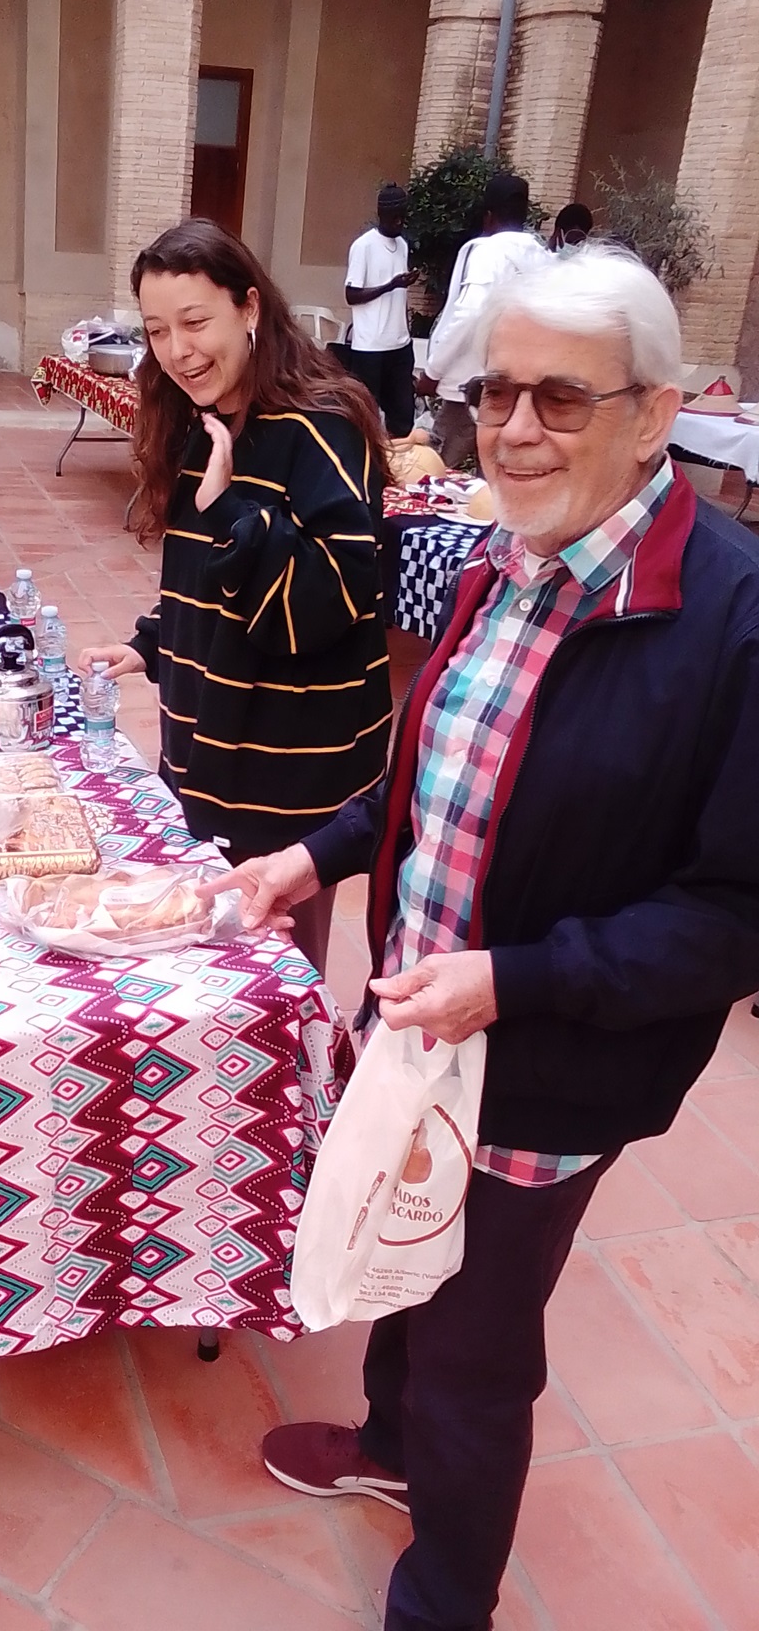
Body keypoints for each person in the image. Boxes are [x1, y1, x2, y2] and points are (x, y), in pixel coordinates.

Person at [206, 244, 759, 1630]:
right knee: (405, 1251)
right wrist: (313, 855)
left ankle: (448, 1598)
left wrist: (511, 983)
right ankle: (391, 1447)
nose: (513, 430)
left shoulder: (736, 623)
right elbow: (434, 772)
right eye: (495, 392)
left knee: (476, 1345)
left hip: (548, 1062)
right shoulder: (504, 562)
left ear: (657, 414)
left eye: (561, 399)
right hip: (423, 1021)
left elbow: (731, 918)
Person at [76, 218, 393, 975]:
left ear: (249, 307)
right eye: (157, 331)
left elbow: (327, 602)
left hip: (289, 766)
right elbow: (203, 574)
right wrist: (151, 642)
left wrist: (231, 512)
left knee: (276, 970)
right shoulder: (205, 418)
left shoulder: (323, 427)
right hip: (207, 743)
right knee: (202, 956)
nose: (177, 351)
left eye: (195, 322)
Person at [418, 171, 547, 468]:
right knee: (500, 470)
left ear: (488, 217)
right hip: (518, 385)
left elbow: (470, 312)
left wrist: (433, 371)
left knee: (432, 469)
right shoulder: (541, 257)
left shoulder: (488, 253)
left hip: (472, 386)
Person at [339, 183, 419, 438]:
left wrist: (403, 283)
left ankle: (397, 457)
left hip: (400, 344)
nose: (399, 222)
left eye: (402, 216)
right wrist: (390, 285)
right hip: (370, 348)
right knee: (365, 418)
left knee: (403, 418)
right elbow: (351, 295)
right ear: (382, 214)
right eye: (394, 217)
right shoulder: (363, 246)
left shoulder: (402, 245)